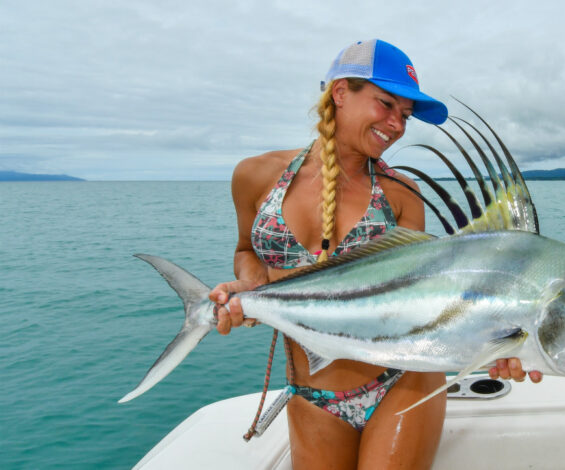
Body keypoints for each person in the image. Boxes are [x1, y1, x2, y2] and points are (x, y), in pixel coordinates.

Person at [209, 39, 542, 469]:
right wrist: (250, 292)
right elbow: (245, 251)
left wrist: (500, 343)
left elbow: (423, 303)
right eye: (386, 104)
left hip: (402, 383)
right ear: (341, 93)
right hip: (310, 393)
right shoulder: (254, 176)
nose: (397, 124)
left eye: (404, 115)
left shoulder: (402, 195)